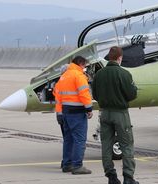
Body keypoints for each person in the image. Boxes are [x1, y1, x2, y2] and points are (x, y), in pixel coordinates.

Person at [92, 46, 138, 184]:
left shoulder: (99, 74)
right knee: (127, 145)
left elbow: (95, 95)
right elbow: (132, 94)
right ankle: (128, 177)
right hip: (120, 113)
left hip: (105, 113)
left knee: (106, 145)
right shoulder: (124, 73)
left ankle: (111, 176)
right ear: (120, 58)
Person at [54, 56, 93, 174]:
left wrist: (59, 113)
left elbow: (58, 98)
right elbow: (84, 93)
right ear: (80, 64)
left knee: (68, 140)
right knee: (79, 140)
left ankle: (67, 164)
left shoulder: (63, 76)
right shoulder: (78, 75)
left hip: (65, 112)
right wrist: (89, 108)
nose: (85, 68)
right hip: (77, 113)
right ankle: (77, 166)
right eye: (85, 66)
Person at [53, 64, 69, 168]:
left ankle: (65, 162)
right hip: (68, 115)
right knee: (71, 140)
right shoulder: (68, 83)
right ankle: (68, 163)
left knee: (66, 139)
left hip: (60, 115)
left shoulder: (58, 84)